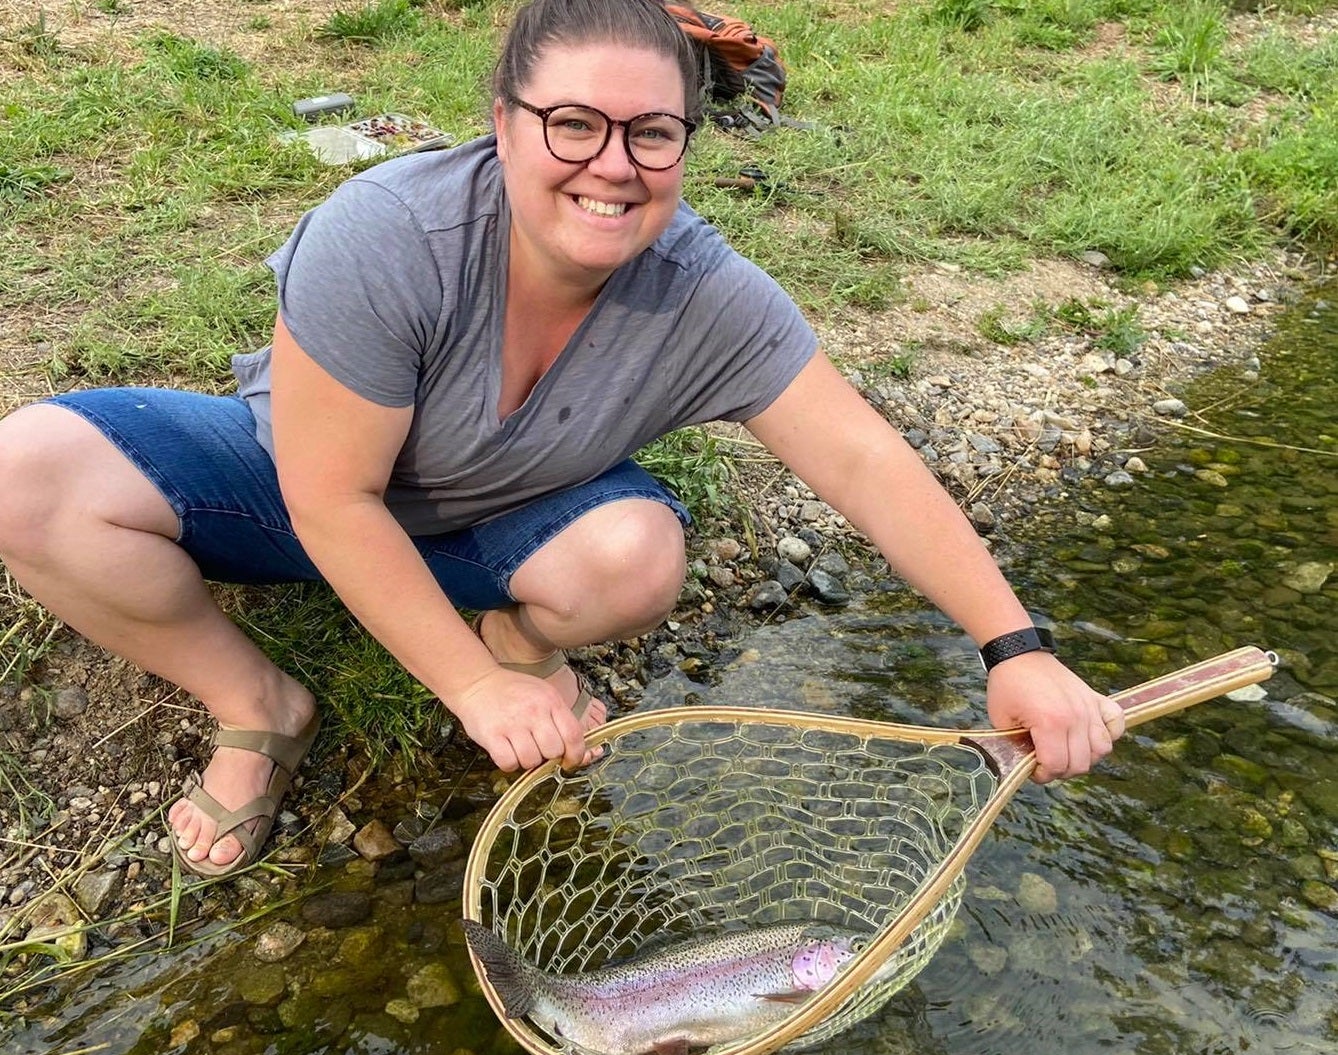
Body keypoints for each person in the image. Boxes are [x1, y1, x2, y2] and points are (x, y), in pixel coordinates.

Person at [0, 0, 1125, 878]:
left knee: (633, 558)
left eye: (652, 133)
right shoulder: (389, 237)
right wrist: (471, 695)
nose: (613, 164)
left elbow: (864, 460)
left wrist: (1014, 649)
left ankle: (515, 630)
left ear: (689, 143)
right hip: (294, 484)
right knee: (26, 476)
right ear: (503, 122)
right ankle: (260, 707)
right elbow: (333, 499)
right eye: (573, 123)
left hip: (496, 523)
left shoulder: (706, 292)